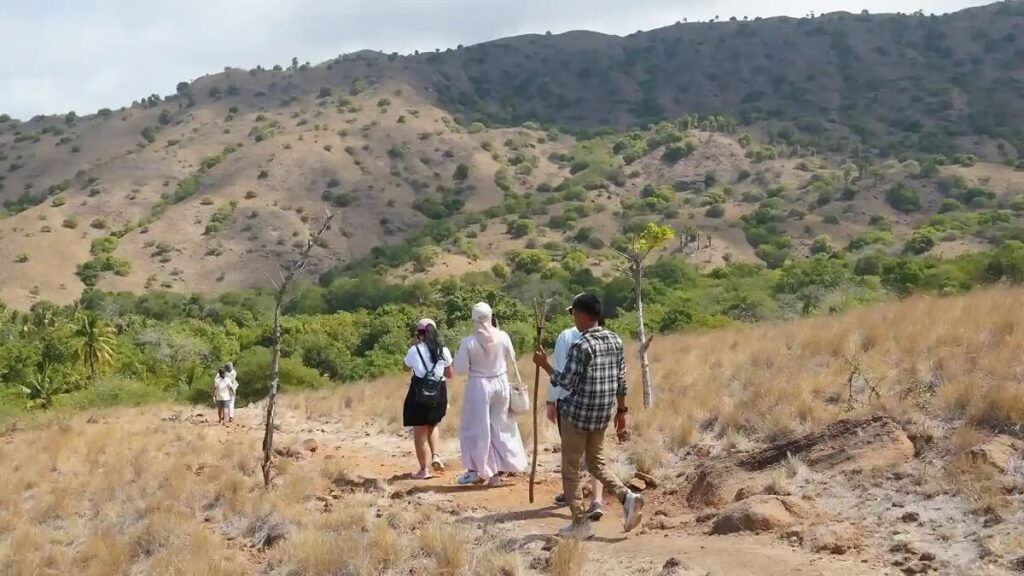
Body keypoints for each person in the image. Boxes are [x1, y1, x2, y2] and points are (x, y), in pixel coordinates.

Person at [533, 292, 643, 539]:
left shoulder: (581, 345)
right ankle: (628, 497)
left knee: (570, 469)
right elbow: (621, 381)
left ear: (581, 315)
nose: (573, 318)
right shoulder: (614, 340)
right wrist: (622, 411)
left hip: (577, 416)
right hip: (603, 414)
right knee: (596, 463)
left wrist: (544, 364)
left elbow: (566, 382)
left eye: (573, 313)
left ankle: (579, 523)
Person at [452, 302, 528, 487]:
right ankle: (497, 473)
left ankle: (477, 470)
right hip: (501, 383)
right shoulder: (503, 336)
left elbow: (460, 369)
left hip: (479, 385)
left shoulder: (469, 342)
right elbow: (512, 357)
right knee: (500, 426)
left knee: (478, 429)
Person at [548, 316, 605, 521]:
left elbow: (562, 376)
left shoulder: (568, 337)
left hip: (571, 407)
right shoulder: (607, 338)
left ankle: (577, 510)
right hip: (599, 407)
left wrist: (551, 401)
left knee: (571, 462)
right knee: (595, 459)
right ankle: (597, 500)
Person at [403, 319, 454, 480]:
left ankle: (424, 470)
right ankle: (436, 456)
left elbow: (405, 367)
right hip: (439, 393)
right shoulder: (443, 350)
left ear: (419, 334)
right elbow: (449, 374)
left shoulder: (414, 350)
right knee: (433, 425)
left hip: (419, 394)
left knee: (420, 431)